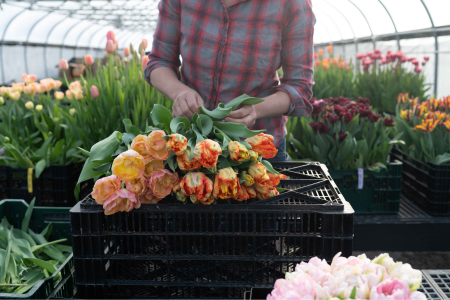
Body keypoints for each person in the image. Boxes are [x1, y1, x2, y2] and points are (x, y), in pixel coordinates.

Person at [144, 0, 315, 162]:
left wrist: (255, 109)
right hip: (189, 144)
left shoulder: (291, 4)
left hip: (256, 150)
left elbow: (300, 86)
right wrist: (179, 91)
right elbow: (160, 61)